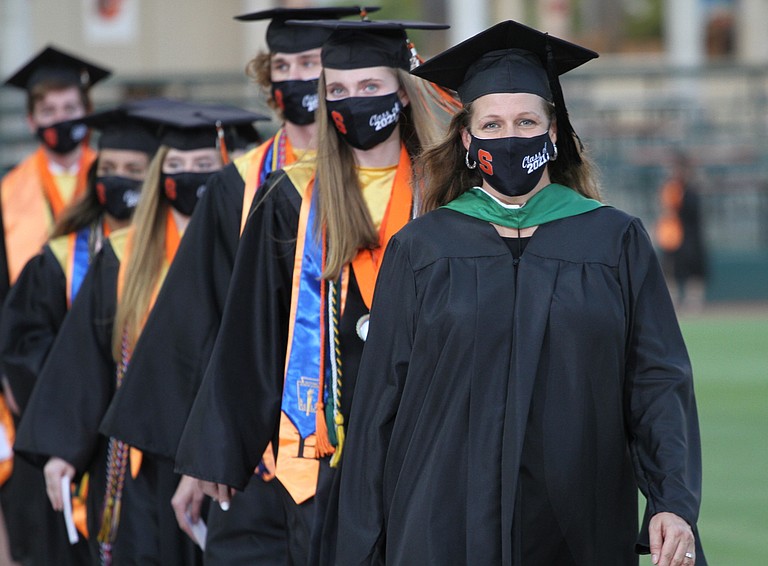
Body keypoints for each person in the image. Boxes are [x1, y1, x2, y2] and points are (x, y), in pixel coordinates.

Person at [334, 20, 706, 566]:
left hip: (575, 520)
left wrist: (672, 500)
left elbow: (655, 381)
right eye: (493, 123)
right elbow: (378, 411)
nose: (510, 137)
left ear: (553, 134)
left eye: (527, 120)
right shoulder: (422, 248)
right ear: (467, 138)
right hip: (441, 521)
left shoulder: (613, 239)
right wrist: (363, 545)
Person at [95, 8, 378, 559]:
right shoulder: (239, 185)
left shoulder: (390, 178)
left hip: (366, 441)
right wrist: (204, 455)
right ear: (268, 81)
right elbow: (200, 319)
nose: (297, 79)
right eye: (284, 65)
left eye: (311, 64)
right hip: (264, 454)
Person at [174, 19, 452, 565]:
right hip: (330, 444)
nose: (354, 101)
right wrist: (221, 451)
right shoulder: (290, 196)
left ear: (403, 89)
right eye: (338, 91)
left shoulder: (444, 190)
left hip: (431, 438)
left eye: (370, 87)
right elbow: (255, 329)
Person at [13, 99, 266, 565]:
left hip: (232, 455)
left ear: (228, 170)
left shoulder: (255, 241)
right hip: (143, 463)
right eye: (177, 165)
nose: (190, 176)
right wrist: (62, 449)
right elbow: (86, 358)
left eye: (204, 165)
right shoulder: (124, 254)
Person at [0, 105, 158, 565]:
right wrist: (86, 405)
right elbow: (23, 346)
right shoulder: (59, 258)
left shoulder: (182, 254)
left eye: (134, 170)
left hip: (156, 445)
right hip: (79, 444)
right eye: (108, 169)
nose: (118, 180)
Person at [0, 45, 110, 566]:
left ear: (87, 109)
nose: (62, 121)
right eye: (50, 112)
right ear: (31, 119)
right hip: (31, 384)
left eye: (71, 109)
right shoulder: (8, 194)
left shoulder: (116, 179)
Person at [654, 151, 708, 312]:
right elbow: (666, 211)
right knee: (670, 268)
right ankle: (673, 301)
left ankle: (693, 303)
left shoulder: (692, 189)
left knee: (694, 268)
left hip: (691, 233)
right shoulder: (670, 188)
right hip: (673, 235)